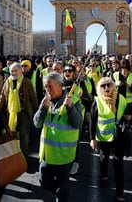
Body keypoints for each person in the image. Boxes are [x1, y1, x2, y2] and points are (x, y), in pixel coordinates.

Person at [33, 72, 83, 202]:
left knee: (62, 191)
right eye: (45, 87)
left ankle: (61, 195)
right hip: (47, 154)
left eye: (50, 86)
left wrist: (70, 107)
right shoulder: (46, 100)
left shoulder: (74, 100)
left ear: (60, 85)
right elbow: (37, 123)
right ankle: (59, 192)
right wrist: (43, 108)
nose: (47, 90)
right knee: (44, 182)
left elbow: (78, 123)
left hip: (64, 156)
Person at [89, 77, 132, 201]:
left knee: (119, 164)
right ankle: (103, 177)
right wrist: (92, 138)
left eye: (109, 85)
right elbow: (92, 120)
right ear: (99, 89)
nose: (106, 87)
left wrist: (128, 117)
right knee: (104, 158)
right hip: (104, 138)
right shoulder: (97, 101)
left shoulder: (121, 99)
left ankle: (120, 192)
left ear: (113, 86)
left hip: (119, 138)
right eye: (103, 86)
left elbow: (126, 114)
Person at [0, 62, 37, 156]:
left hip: (24, 112)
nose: (14, 73)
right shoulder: (7, 82)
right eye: (12, 71)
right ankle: (14, 156)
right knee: (12, 134)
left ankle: (24, 156)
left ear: (20, 71)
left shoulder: (26, 81)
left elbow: (33, 96)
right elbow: (3, 96)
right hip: (11, 113)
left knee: (24, 135)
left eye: (16, 70)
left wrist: (36, 110)